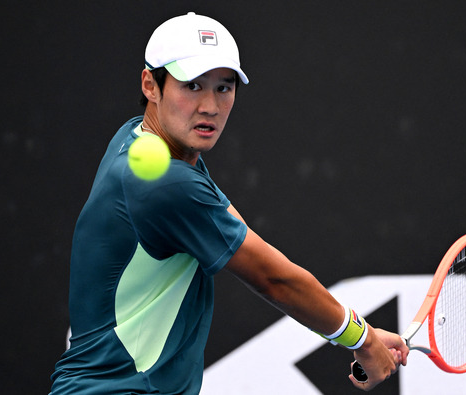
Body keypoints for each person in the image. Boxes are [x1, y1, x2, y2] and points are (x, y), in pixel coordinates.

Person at [50, 12, 409, 394]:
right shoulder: (166, 184)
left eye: (224, 87)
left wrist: (362, 333)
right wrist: (362, 340)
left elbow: (243, 238)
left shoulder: (140, 142)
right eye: (191, 86)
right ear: (150, 84)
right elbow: (274, 279)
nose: (210, 106)